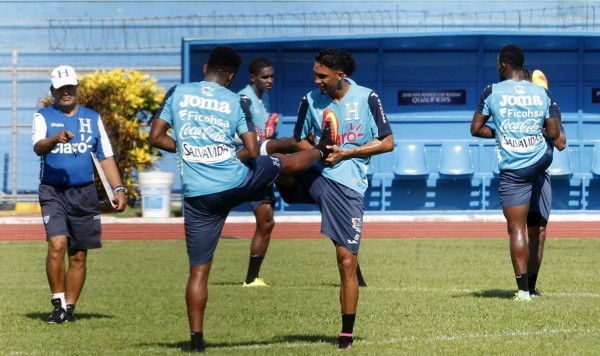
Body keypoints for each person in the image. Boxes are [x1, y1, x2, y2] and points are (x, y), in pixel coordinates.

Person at [148, 45, 335, 352]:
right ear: (233, 76)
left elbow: (155, 137)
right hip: (235, 180)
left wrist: (192, 151)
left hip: (198, 196)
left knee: (198, 271)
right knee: (280, 161)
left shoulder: (177, 92)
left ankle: (196, 340)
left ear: (205, 68)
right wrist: (224, 156)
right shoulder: (236, 100)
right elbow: (250, 149)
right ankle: (323, 148)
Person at [261, 48, 394, 349]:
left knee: (346, 261)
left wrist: (347, 152)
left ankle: (346, 334)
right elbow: (297, 139)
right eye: (315, 74)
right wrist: (318, 150)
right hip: (315, 175)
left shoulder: (367, 98)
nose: (317, 80)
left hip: (347, 185)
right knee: (277, 162)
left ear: (340, 75)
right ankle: (244, 179)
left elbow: (387, 142)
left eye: (322, 76)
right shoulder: (310, 100)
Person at [32, 65, 128, 323]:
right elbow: (38, 147)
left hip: (84, 193)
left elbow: (105, 156)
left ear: (76, 88)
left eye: (70, 87)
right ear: (53, 90)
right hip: (53, 191)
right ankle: (57, 303)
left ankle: (69, 308)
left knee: (78, 253)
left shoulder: (92, 118)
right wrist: (55, 139)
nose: (66, 92)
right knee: (57, 244)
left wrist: (118, 189)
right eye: (60, 88)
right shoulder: (43, 117)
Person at [470, 45, 560, 302]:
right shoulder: (540, 92)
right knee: (537, 231)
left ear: (503, 65)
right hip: (540, 162)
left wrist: (502, 132)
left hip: (514, 169)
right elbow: (554, 133)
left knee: (517, 230)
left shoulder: (492, 91)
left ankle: (523, 292)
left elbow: (476, 129)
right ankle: (531, 286)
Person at [237, 57, 278, 287]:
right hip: (244, 166)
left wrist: (269, 134)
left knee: (267, 221)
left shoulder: (266, 98)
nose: (270, 80)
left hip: (260, 165)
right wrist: (265, 140)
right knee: (215, 216)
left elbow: (261, 135)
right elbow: (238, 133)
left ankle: (252, 278)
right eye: (265, 77)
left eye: (272, 75)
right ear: (253, 78)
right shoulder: (243, 99)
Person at [526, 69, 567, 297]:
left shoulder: (552, 108)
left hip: (541, 176)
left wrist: (546, 129)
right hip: (519, 174)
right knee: (518, 231)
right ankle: (522, 285)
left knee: (539, 231)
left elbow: (561, 142)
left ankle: (531, 286)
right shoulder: (518, 110)